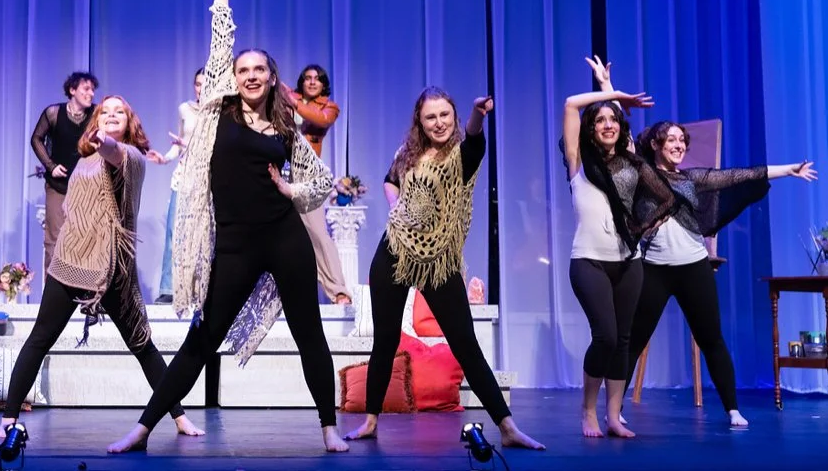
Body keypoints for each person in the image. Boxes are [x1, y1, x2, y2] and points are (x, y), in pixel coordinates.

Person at [107, 0, 348, 454]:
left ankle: (329, 427)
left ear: (271, 75)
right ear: (233, 76)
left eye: (260, 69)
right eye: (244, 69)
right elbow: (220, 48)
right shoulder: (219, 112)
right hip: (236, 244)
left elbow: (321, 182)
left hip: (285, 239)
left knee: (310, 334)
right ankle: (143, 428)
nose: (252, 75)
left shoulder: (285, 127)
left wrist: (292, 191)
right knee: (203, 337)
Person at [589, 58, 818, 428]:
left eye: (683, 140)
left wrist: (787, 170)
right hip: (655, 270)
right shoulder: (640, 173)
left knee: (711, 337)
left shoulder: (693, 178)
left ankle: (732, 409)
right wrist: (607, 85)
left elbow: (737, 175)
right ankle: (614, 410)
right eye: (672, 140)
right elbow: (621, 132)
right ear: (657, 144)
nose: (679, 145)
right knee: (633, 339)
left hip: (694, 266)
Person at [343, 89, 543, 450]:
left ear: (454, 117)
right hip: (394, 251)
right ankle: (371, 421)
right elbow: (390, 180)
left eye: (445, 115)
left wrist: (477, 115)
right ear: (420, 121)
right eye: (431, 117)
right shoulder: (409, 153)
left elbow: (476, 137)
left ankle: (508, 427)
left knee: (465, 343)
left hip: (440, 260)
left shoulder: (463, 155)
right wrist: (396, 204)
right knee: (385, 342)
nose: (439, 123)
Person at [0, 95, 204, 440]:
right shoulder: (84, 160)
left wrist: (104, 141)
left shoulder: (133, 157)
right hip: (70, 262)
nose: (109, 115)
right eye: (103, 112)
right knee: (39, 339)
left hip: (110, 269)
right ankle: (7, 420)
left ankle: (179, 416)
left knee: (142, 345)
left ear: (130, 122)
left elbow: (116, 153)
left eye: (118, 112)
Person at [562, 63, 676, 439]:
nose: (608, 124)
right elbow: (570, 104)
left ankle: (613, 415)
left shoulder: (628, 162)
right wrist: (611, 93)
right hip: (589, 262)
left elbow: (656, 195)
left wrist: (612, 88)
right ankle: (587, 411)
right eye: (601, 121)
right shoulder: (578, 162)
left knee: (624, 339)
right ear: (591, 130)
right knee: (606, 336)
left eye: (614, 119)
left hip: (629, 261)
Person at [281, 65, 350, 304]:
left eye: (317, 79)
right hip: (280, 171)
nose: (312, 82)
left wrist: (293, 102)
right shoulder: (287, 97)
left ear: (323, 85)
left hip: (307, 177)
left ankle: (339, 291)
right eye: (308, 78)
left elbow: (320, 121)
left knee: (319, 235)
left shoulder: (329, 107)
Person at [31, 71, 99, 279]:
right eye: (86, 89)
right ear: (72, 90)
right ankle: (53, 292)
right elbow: (36, 139)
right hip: (58, 186)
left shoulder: (97, 114)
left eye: (93, 90)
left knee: (89, 237)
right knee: (55, 238)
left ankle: (88, 293)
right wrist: (50, 166)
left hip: (87, 187)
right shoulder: (53, 113)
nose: (91, 94)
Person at [146, 68, 204, 304]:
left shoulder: (221, 111)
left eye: (206, 83)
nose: (201, 88)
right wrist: (165, 158)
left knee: (203, 237)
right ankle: (170, 289)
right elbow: (180, 143)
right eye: (197, 84)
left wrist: (189, 146)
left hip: (207, 179)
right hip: (183, 176)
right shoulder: (185, 108)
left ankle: (202, 290)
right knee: (174, 232)